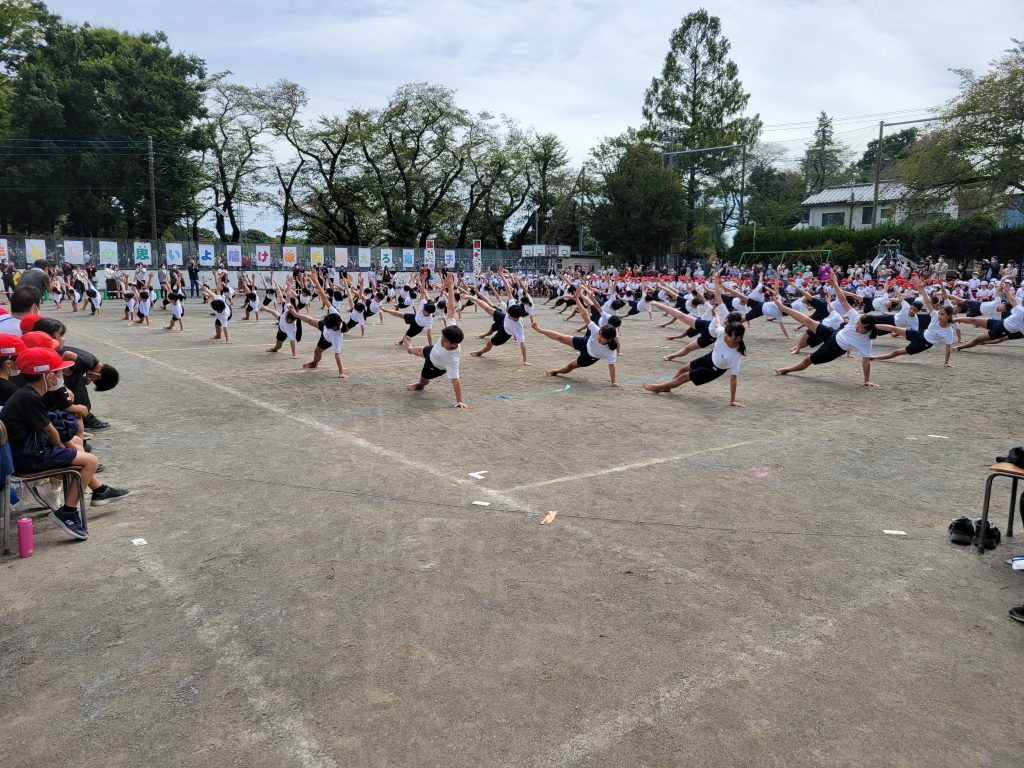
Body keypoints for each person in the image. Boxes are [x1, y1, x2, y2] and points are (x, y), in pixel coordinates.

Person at [0, 347, 130, 540]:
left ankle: (100, 491)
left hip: (25, 448)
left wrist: (68, 447)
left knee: (77, 446)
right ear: (48, 376)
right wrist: (62, 449)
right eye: (59, 372)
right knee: (90, 461)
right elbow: (50, 430)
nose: (62, 376)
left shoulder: (29, 393)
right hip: (28, 457)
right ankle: (68, 512)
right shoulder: (30, 398)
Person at [528, 288, 622, 387]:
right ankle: (540, 330)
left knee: (570, 366)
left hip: (589, 357)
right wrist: (577, 299)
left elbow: (612, 366)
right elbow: (585, 315)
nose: (599, 337)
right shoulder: (596, 331)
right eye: (599, 334)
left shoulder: (611, 351)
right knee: (561, 337)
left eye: (601, 337)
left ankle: (556, 371)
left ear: (609, 339)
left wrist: (613, 382)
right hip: (585, 342)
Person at [399, 273, 468, 407]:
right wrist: (451, 287)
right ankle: (408, 348)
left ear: (453, 345)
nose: (442, 340)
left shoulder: (452, 359)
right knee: (413, 350)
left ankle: (420, 385)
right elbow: (451, 309)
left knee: (424, 379)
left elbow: (455, 381)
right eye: (442, 337)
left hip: (435, 365)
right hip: (431, 350)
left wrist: (459, 401)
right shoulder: (451, 330)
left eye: (445, 341)